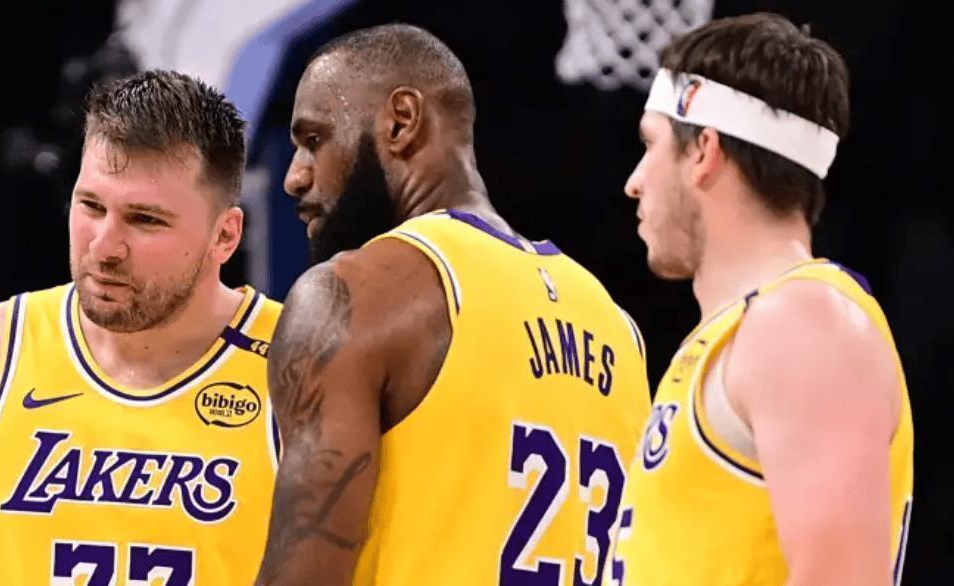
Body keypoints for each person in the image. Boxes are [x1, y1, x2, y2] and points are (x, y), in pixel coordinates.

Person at [255, 23, 651, 585]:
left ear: (401, 122)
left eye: (315, 139)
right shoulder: (617, 328)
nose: (295, 177)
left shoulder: (353, 295)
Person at [614, 12, 914, 586]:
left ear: (703, 152)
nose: (635, 180)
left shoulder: (803, 323)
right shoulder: (744, 332)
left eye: (650, 145)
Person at [0, 70, 282, 584]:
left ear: (225, 236)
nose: (104, 247)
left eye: (145, 219)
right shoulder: (5, 346)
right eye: (91, 206)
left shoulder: (297, 364)